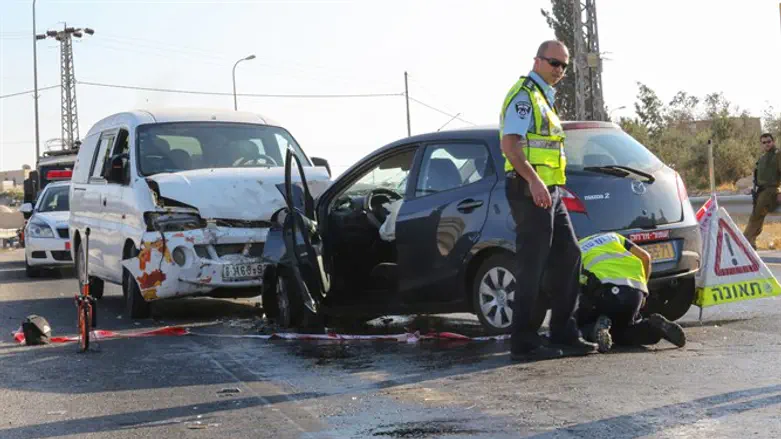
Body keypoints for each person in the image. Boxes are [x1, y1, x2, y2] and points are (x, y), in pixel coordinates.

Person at [501, 40, 598, 361]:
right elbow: (510, 145)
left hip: (550, 192)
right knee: (533, 265)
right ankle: (524, 340)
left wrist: (551, 186)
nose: (560, 70)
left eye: (564, 66)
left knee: (570, 255)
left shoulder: (545, 98)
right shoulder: (524, 96)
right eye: (554, 63)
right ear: (537, 61)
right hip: (529, 190)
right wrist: (534, 181)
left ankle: (563, 330)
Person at [576, 232, 686, 353]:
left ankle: (594, 329)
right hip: (635, 293)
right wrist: (644, 291)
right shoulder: (612, 236)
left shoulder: (575, 250)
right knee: (625, 329)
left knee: (577, 324)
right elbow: (646, 257)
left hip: (606, 294)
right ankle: (655, 328)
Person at [743, 133, 781, 249]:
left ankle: (744, 242)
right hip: (761, 191)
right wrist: (752, 189)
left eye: (769, 141)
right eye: (764, 142)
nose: (767, 144)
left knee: (756, 217)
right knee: (757, 217)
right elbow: (758, 177)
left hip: (771, 191)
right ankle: (751, 242)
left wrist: (780, 192)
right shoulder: (762, 158)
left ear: (773, 141)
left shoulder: (778, 154)